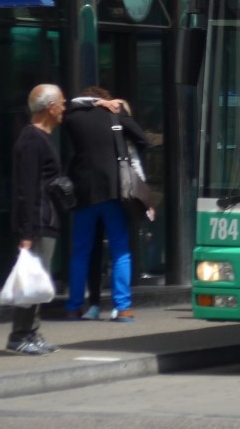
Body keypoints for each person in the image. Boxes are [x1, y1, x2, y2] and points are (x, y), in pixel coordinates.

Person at [62, 87, 149, 322]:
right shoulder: (115, 114)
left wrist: (95, 103)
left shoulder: (72, 117)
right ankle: (123, 308)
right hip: (113, 191)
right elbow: (143, 138)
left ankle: (73, 306)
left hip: (83, 193)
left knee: (80, 252)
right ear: (107, 101)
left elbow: (73, 102)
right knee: (120, 250)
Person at [7, 84, 70, 355]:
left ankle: (31, 332)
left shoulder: (41, 137)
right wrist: (27, 233)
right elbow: (26, 188)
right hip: (37, 223)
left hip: (45, 221)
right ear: (50, 107)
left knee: (37, 280)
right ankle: (19, 335)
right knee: (31, 281)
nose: (65, 108)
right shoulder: (31, 140)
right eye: (62, 103)